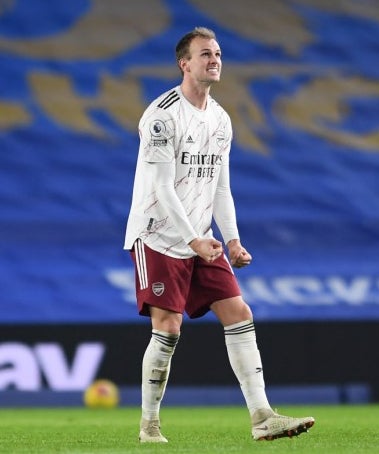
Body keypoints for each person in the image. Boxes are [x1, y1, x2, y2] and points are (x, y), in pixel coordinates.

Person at [124, 26, 315, 443]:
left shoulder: (221, 119)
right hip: (158, 235)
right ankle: (149, 425)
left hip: (202, 239)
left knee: (239, 313)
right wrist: (193, 239)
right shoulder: (161, 116)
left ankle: (263, 417)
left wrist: (231, 239)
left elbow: (220, 186)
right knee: (169, 327)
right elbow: (160, 188)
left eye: (218, 53)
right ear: (185, 63)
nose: (214, 60)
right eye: (205, 54)